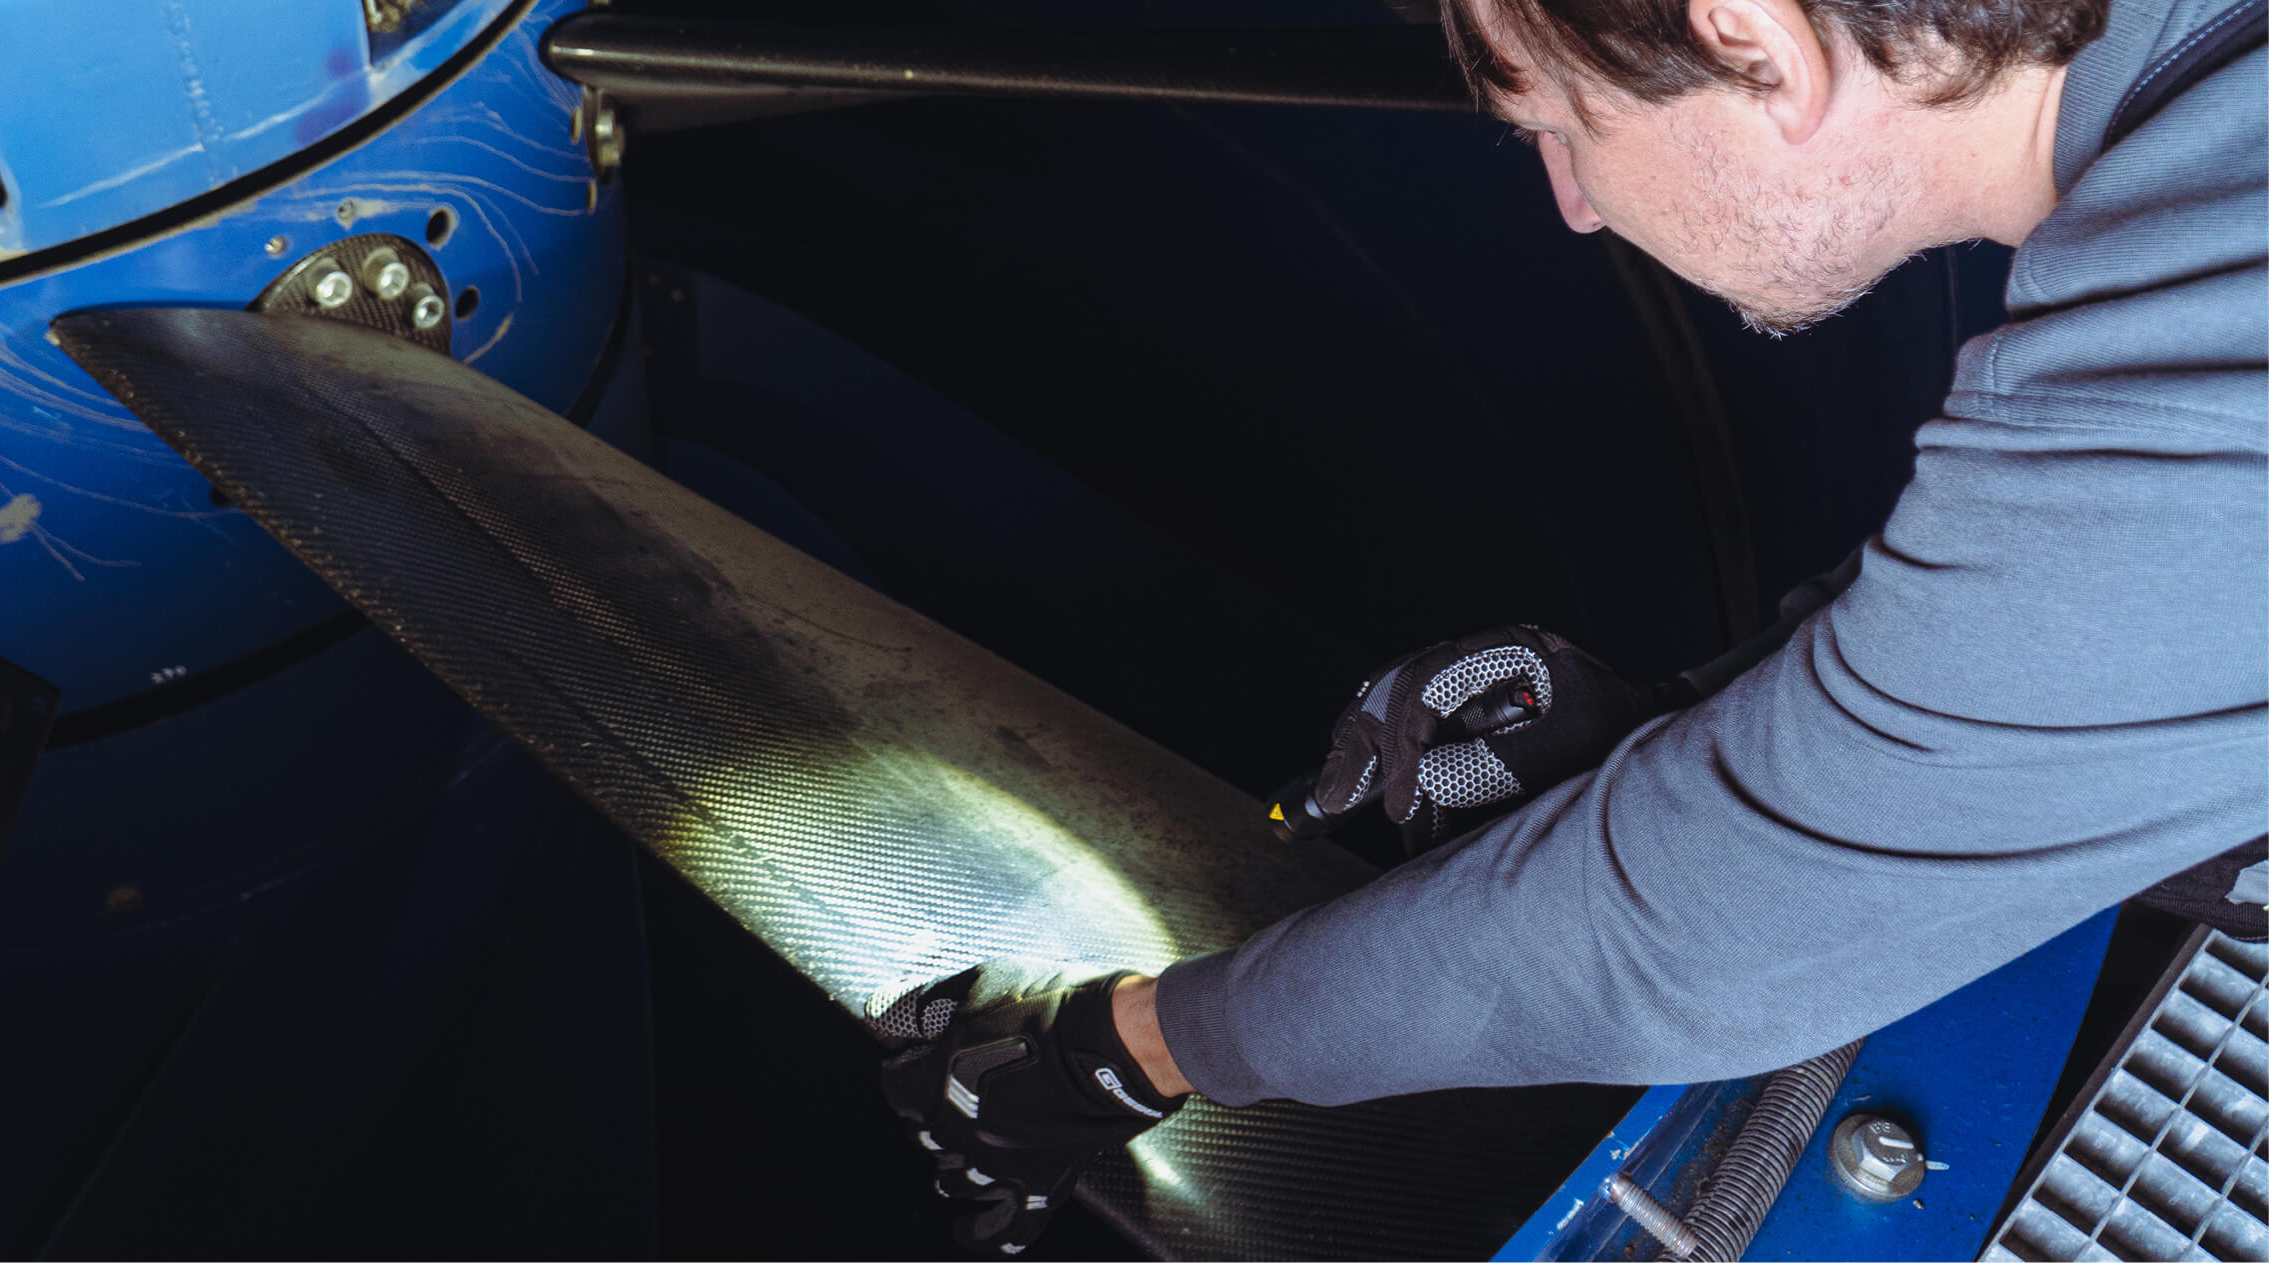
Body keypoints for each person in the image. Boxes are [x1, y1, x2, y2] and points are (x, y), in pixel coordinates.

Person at [878, 0, 2266, 1251]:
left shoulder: (2181, 416)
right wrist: (1697, 716)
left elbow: (1690, 937)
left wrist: (1132, 1045)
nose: (1575, 206)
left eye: (1560, 125)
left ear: (1757, 46)